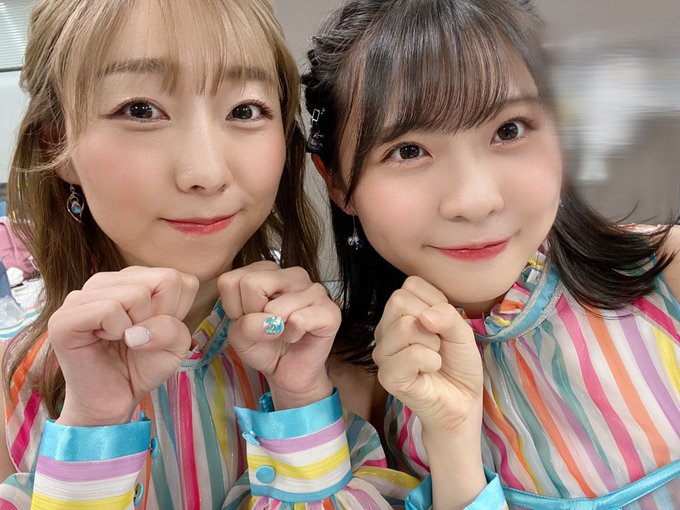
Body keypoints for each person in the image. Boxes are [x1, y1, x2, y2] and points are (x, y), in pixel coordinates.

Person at [0, 0, 423, 508]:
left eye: (245, 110)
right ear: (59, 142)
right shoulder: (18, 382)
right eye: (140, 110)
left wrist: (301, 407)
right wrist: (92, 432)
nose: (206, 172)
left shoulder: (346, 359)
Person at [304, 0, 680, 508]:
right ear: (337, 182)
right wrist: (452, 443)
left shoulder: (666, 276)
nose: (475, 200)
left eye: (509, 130)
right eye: (408, 151)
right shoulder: (367, 380)